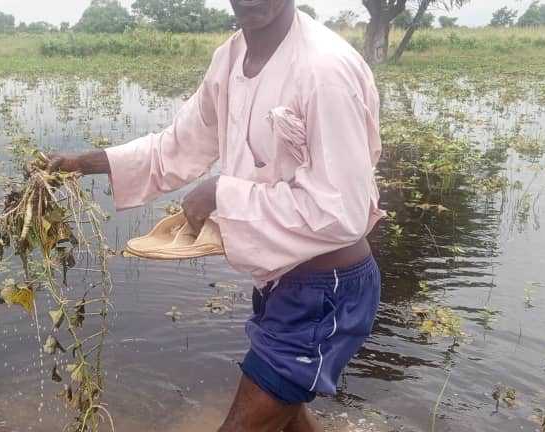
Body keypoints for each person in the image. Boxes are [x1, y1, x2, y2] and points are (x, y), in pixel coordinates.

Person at [50, 1, 383, 430]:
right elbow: (177, 145)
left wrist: (222, 194)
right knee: (288, 417)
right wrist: (82, 162)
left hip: (327, 291)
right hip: (278, 280)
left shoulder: (325, 69)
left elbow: (342, 212)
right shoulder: (229, 59)